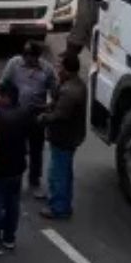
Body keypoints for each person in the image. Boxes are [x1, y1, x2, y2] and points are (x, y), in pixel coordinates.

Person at [0, 40, 57, 194]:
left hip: (36, 116)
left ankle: (34, 178)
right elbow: (2, 85)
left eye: (29, 55)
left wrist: (46, 107)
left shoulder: (47, 70)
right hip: (16, 115)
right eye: (23, 53)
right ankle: (14, 178)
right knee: (15, 147)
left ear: (37, 56)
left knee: (36, 149)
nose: (24, 57)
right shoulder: (14, 64)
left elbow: (56, 93)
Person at [0, 82, 32, 255]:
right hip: (17, 168)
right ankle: (9, 238)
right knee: (12, 203)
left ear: (7, 98)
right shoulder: (24, 114)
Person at [39, 52, 88, 220]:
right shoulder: (76, 84)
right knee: (63, 171)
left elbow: (58, 115)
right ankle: (61, 200)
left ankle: (59, 207)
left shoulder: (70, 91)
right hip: (70, 137)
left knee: (58, 173)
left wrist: (43, 118)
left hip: (63, 138)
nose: (57, 69)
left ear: (68, 70)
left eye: (60, 66)